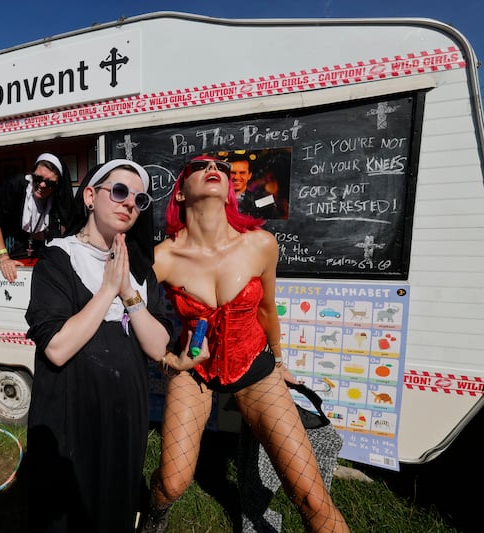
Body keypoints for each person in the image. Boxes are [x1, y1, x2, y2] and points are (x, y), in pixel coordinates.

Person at [141, 156, 349, 532]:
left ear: (230, 193)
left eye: (220, 166)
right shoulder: (163, 257)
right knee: (172, 482)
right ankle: (154, 511)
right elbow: (131, 314)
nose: (214, 167)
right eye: (199, 166)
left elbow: (268, 310)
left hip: (253, 363)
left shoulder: (261, 245)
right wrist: (169, 358)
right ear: (181, 193)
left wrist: (280, 359)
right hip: (196, 371)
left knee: (310, 496)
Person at [21, 159, 174, 532]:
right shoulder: (58, 259)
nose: (129, 204)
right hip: (71, 416)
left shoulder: (140, 270)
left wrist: (128, 294)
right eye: (119, 192)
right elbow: (57, 347)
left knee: (114, 506)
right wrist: (107, 291)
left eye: (139, 200)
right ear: (90, 196)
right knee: (69, 510)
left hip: (126, 415)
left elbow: (158, 347)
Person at [0, 152, 74, 282]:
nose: (42, 185)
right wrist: (3, 257)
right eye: (38, 179)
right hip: (1, 245)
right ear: (32, 175)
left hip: (26, 249)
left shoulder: (55, 199)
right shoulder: (14, 185)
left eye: (50, 183)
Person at [227, 154, 277, 220]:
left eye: (242, 173)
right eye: (232, 173)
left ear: (249, 175)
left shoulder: (263, 200)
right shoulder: (216, 199)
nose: (236, 177)